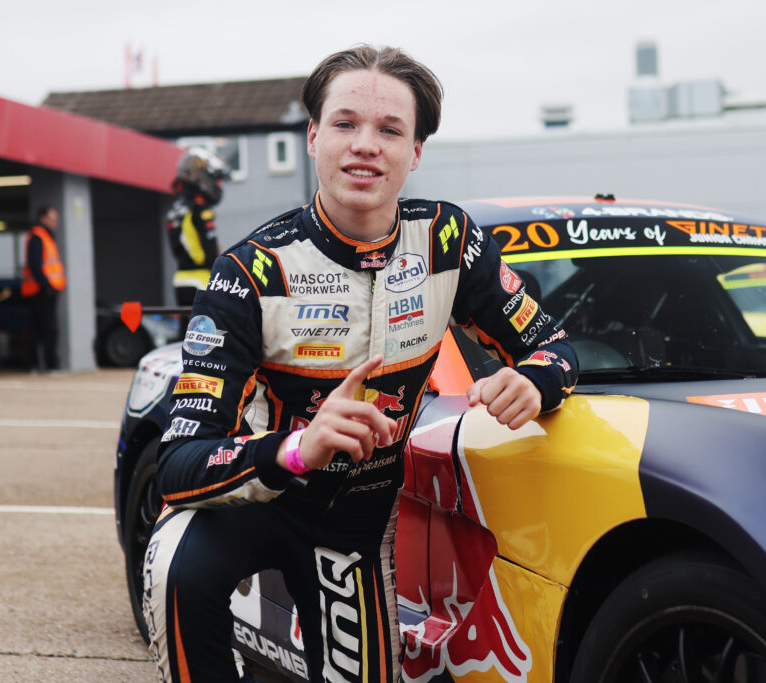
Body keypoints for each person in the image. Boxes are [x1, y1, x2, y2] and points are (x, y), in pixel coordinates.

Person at [142, 44, 579, 683]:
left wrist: (535, 381)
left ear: (416, 152)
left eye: (390, 130)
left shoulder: (448, 241)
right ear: (313, 137)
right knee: (175, 562)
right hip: (251, 504)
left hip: (354, 525)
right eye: (345, 123)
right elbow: (178, 466)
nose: (365, 145)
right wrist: (297, 448)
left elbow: (557, 348)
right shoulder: (251, 270)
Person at [166, 146, 230, 307]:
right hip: (203, 281)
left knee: (186, 324)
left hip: (180, 279)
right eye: (216, 180)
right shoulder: (201, 209)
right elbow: (211, 254)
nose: (218, 185)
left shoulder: (176, 209)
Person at [21, 206, 66, 372]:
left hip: (46, 290)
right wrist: (47, 286)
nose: (55, 222)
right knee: (45, 330)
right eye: (52, 218)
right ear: (43, 218)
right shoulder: (38, 236)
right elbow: (35, 265)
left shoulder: (46, 236)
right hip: (40, 291)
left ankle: (38, 364)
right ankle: (47, 364)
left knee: (41, 329)